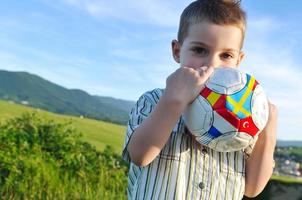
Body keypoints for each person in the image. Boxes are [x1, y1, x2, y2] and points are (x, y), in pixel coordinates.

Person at [122, 0, 278, 199]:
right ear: (177, 51)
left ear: (238, 61)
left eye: (226, 55)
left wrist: (268, 131)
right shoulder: (154, 100)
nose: (212, 65)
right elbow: (140, 155)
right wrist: (174, 101)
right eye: (199, 50)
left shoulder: (244, 117)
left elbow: (252, 188)